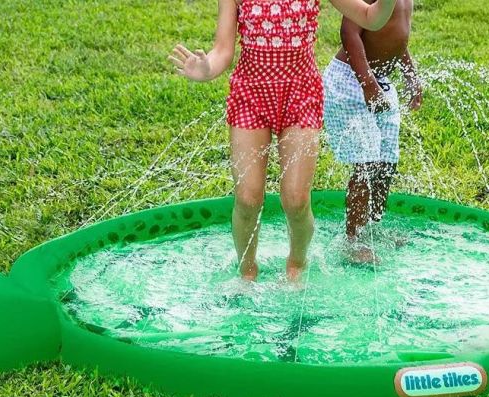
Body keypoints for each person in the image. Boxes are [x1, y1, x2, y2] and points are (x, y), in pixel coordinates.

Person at [168, 0, 399, 282]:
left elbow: (370, 17)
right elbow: (223, 51)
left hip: (301, 94)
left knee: (296, 200)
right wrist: (206, 69)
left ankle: (296, 266)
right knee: (247, 198)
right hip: (251, 95)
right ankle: (247, 272)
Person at [322, 0, 422, 264]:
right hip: (351, 81)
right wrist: (367, 84)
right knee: (366, 165)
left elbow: (397, 39)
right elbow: (349, 33)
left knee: (386, 164)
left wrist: (411, 75)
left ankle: (373, 230)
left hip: (381, 82)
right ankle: (352, 241)